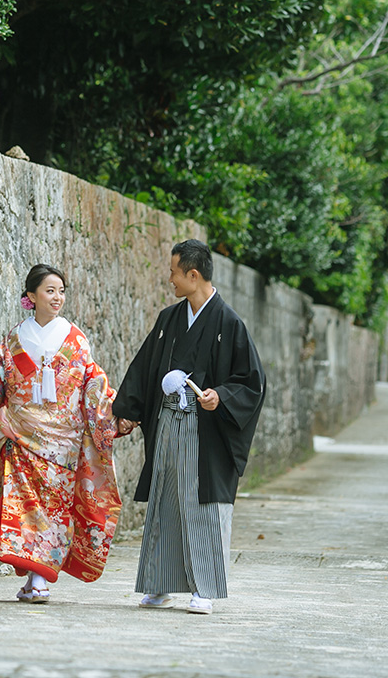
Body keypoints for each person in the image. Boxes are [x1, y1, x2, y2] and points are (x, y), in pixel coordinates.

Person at [0, 264, 122, 603]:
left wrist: (117, 412)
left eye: (61, 291)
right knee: (25, 506)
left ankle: (39, 578)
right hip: (21, 432)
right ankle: (33, 577)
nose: (57, 298)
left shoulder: (75, 339)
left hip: (62, 439)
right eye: (49, 291)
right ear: (31, 296)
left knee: (52, 507)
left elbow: (92, 384)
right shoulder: (14, 338)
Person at [112, 239, 266, 615]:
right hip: (168, 422)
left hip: (206, 431)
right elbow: (146, 365)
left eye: (174, 272)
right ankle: (160, 585)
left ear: (193, 275)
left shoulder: (229, 323)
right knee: (165, 500)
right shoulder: (169, 319)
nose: (170, 279)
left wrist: (221, 397)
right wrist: (129, 409)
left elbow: (251, 382)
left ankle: (205, 588)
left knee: (203, 505)